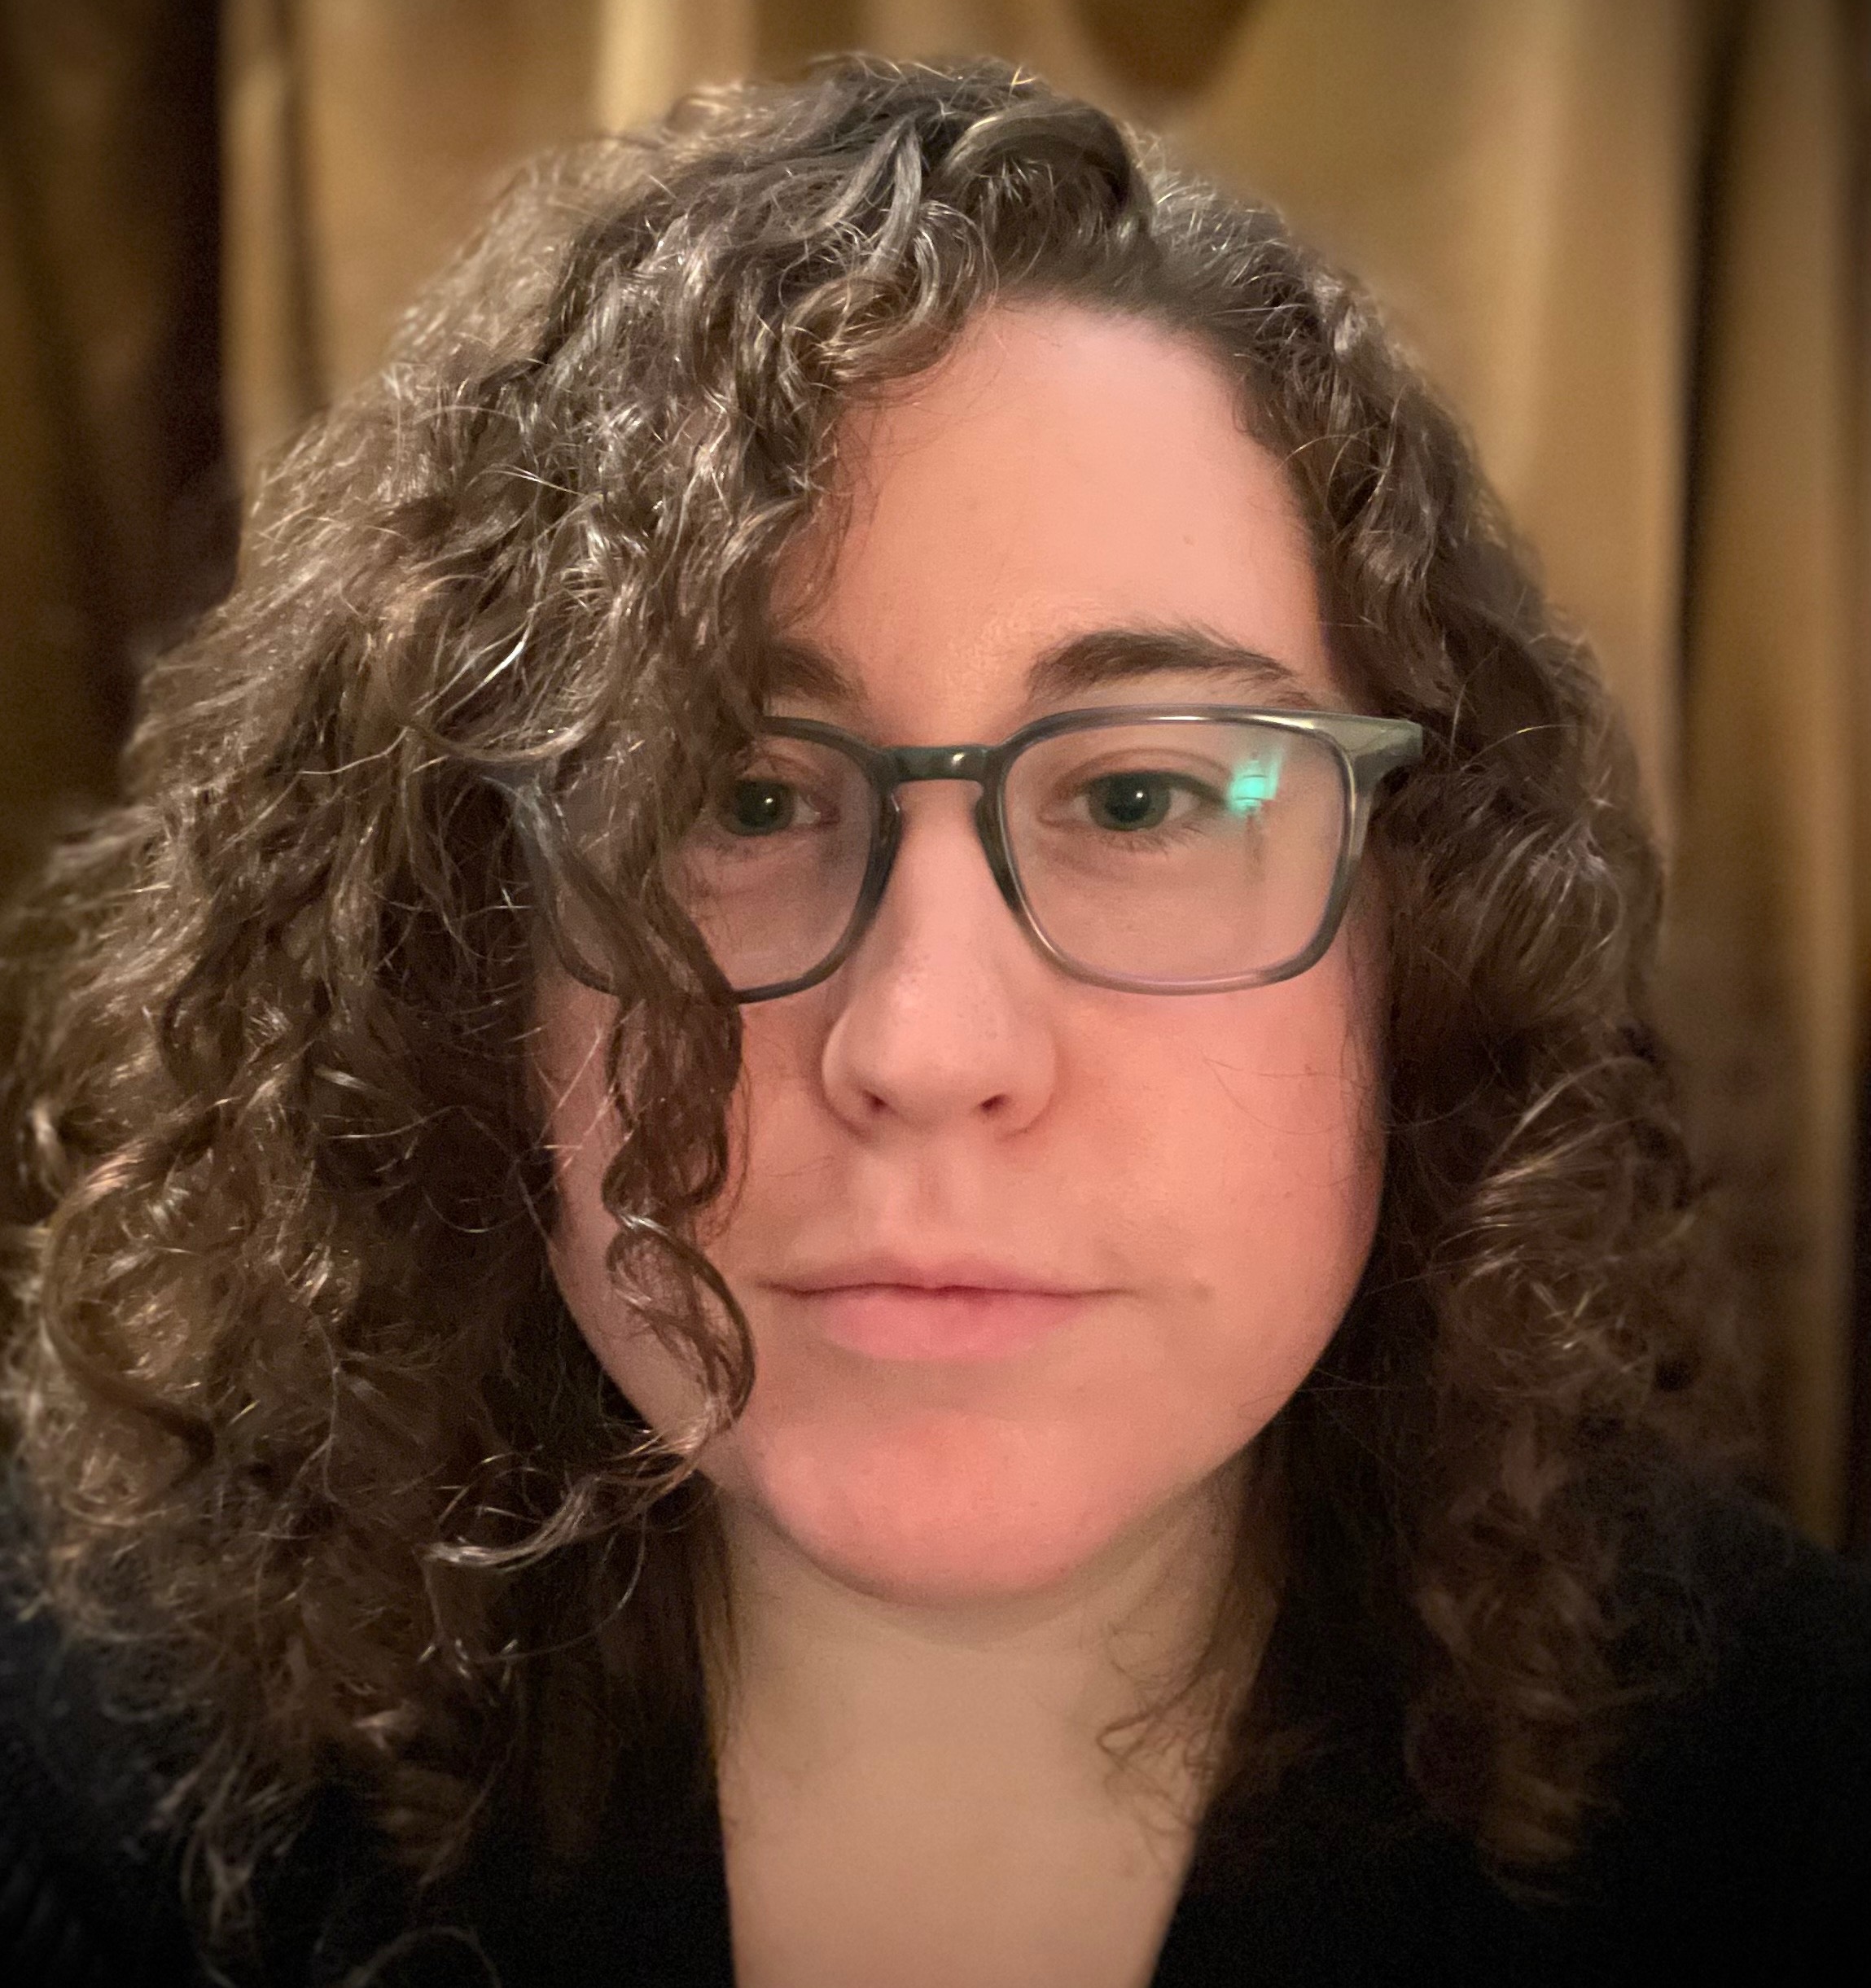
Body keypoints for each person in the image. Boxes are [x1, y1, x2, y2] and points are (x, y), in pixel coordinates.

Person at [0, 53, 1865, 1988]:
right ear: (466, 950)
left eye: (1144, 799)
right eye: (734, 801)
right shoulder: (91, 1772)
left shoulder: (1794, 1815)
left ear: (1429, 937)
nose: (925, 1040)